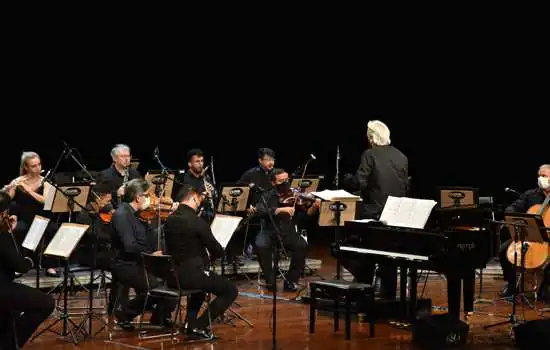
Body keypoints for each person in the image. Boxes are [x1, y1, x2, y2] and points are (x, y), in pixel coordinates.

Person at [341, 120, 409, 299]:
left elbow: (360, 182)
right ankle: (388, 295)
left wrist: (347, 179)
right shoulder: (401, 156)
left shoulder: (369, 154)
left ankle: (364, 290)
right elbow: (404, 186)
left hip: (373, 213)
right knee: (389, 255)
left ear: (372, 137)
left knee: (355, 248)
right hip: (396, 213)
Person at [164, 185, 238, 340]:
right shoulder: (196, 221)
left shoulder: (170, 219)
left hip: (173, 275)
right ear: (193, 198)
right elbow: (217, 250)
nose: (200, 202)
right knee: (230, 290)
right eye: (199, 199)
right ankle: (199, 325)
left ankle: (190, 325)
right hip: (192, 275)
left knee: (201, 289)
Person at [110, 178, 176, 329]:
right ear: (138, 197)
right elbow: (130, 246)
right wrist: (150, 254)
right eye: (147, 195)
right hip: (124, 265)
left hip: (140, 261)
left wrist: (166, 221)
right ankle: (125, 312)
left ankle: (159, 317)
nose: (151, 199)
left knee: (172, 281)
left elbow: (149, 241)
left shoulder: (139, 214)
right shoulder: (122, 215)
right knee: (157, 286)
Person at [0, 190, 55, 349]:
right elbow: (21, 266)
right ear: (4, 212)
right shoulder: (2, 235)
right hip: (2, 288)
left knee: (12, 310)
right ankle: (8, 344)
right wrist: (29, 259)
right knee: (46, 303)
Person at [254, 168, 320, 292]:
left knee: (302, 245)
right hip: (269, 231)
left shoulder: (293, 195)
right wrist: (279, 210)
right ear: (273, 183)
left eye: (287, 180)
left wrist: (314, 207)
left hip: (287, 231)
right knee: (260, 245)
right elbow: (260, 211)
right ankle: (270, 280)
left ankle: (291, 281)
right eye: (281, 181)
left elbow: (305, 216)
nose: (285, 183)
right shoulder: (267, 195)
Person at [2, 151, 59, 277]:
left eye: (39, 164)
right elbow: (7, 199)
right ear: (26, 167)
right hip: (24, 217)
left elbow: (46, 201)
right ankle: (18, 265)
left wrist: (28, 190)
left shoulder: (46, 181)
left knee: (53, 229)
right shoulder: (18, 181)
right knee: (17, 229)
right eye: (33, 166)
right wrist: (9, 189)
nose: (37, 168)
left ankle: (50, 266)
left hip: (43, 217)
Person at [498, 164, 550, 298]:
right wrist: (513, 216)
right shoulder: (530, 194)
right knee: (504, 250)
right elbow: (512, 208)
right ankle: (512, 284)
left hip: (548, 238)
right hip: (530, 236)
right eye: (539, 176)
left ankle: (546, 286)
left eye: (544, 176)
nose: (540, 178)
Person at [172, 149, 216, 222]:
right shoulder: (183, 179)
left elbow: (213, 199)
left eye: (202, 161)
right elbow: (182, 202)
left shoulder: (206, 177)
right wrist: (202, 197)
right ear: (190, 164)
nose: (201, 164)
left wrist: (212, 193)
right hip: (191, 219)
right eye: (197, 161)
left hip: (207, 216)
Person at [97, 144, 141, 210]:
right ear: (114, 158)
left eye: (128, 156)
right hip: (111, 213)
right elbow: (99, 200)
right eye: (123, 156)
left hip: (133, 211)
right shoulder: (104, 175)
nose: (126, 159)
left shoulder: (135, 173)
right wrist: (116, 193)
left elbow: (144, 191)